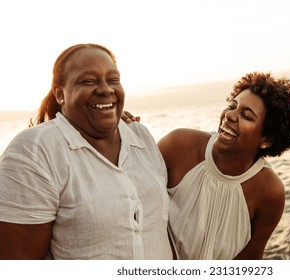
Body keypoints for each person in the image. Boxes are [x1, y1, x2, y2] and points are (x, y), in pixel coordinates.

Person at [0, 43, 172, 260]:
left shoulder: (140, 136)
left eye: (113, 80)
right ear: (60, 94)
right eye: (88, 81)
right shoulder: (35, 150)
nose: (106, 89)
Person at [123, 72, 290, 259]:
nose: (229, 115)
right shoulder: (179, 145)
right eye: (232, 106)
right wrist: (117, 130)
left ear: (266, 140)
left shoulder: (269, 191)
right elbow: (128, 192)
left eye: (247, 116)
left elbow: (250, 259)